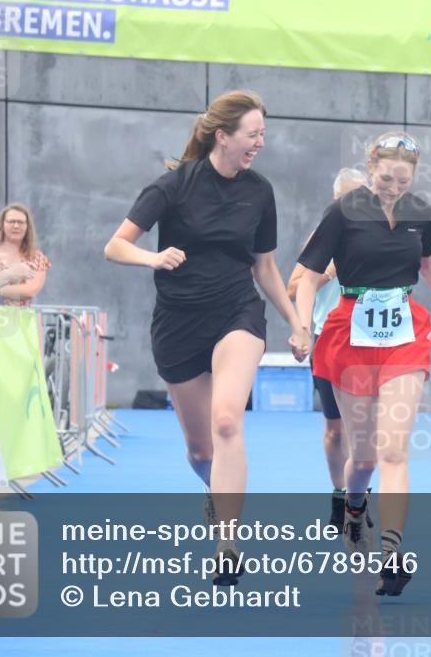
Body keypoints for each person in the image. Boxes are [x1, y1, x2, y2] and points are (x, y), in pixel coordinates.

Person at [104, 90, 309, 584]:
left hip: (236, 312)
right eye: (253, 133)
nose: (260, 142)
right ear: (223, 135)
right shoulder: (174, 184)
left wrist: (297, 322)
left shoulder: (260, 191)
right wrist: (153, 258)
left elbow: (265, 267)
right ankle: (215, 490)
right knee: (200, 451)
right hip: (177, 323)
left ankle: (228, 542)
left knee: (226, 420)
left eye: (263, 133)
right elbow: (115, 246)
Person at [295, 132, 431, 597]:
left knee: (394, 450)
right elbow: (306, 278)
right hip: (349, 335)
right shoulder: (343, 211)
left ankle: (392, 552)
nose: (392, 186)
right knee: (361, 458)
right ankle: (354, 506)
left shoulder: (418, 210)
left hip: (405, 335)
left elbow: (430, 265)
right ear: (370, 166)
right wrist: (303, 326)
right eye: (385, 177)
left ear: (414, 177)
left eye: (402, 179)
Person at [287, 167, 369, 529]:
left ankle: (359, 499)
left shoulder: (380, 236)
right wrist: (331, 270)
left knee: (364, 430)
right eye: (350, 198)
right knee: (336, 427)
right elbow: (293, 287)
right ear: (337, 201)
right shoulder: (322, 237)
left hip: (369, 341)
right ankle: (339, 494)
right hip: (328, 340)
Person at [0, 203, 50, 306]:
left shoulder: (36, 257)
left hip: (22, 318)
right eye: (11, 222)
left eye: (20, 222)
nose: (16, 226)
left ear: (27, 226)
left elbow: (30, 290)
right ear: (2, 224)